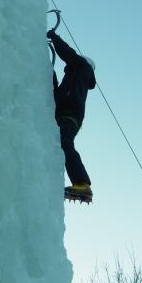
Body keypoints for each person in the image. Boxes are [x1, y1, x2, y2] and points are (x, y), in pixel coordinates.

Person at [47, 28, 96, 200]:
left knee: (65, 143)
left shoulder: (82, 68)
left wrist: (54, 37)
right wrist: (50, 74)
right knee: (59, 144)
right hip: (64, 115)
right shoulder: (71, 80)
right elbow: (56, 95)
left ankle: (82, 183)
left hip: (70, 114)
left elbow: (69, 54)